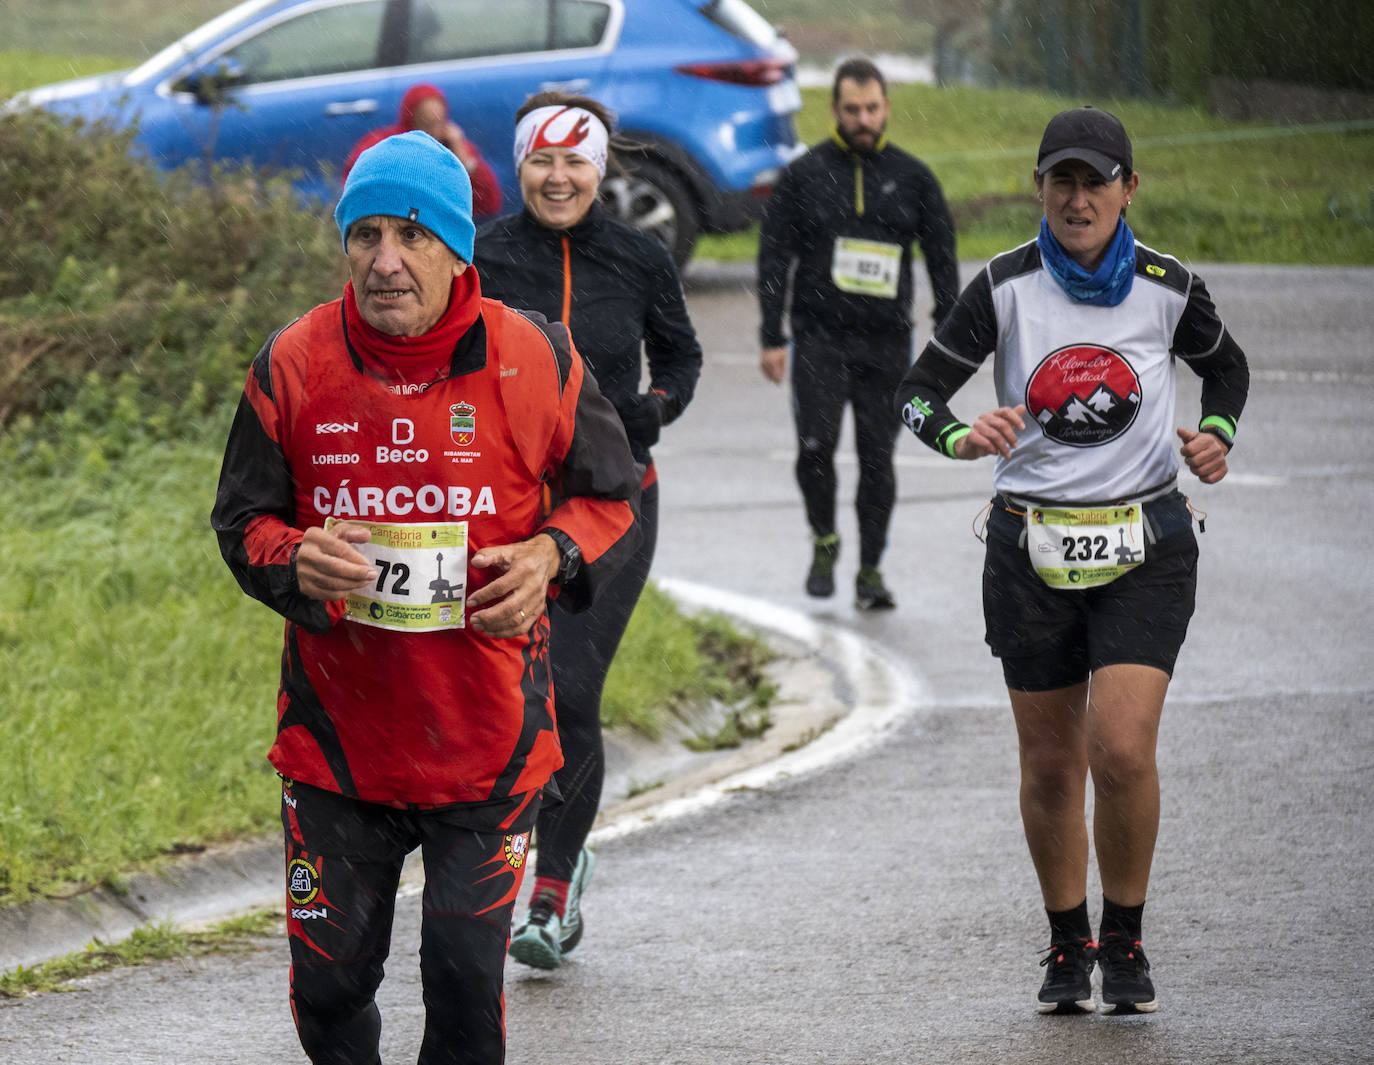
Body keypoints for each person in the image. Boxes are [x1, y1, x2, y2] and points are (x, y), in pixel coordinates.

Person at [211, 129, 642, 1064]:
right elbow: (241, 522)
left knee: (460, 987)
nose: (385, 261)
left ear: (457, 250)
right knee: (327, 992)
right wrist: (295, 558)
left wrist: (552, 555)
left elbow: (613, 494)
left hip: (486, 746)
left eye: (410, 236)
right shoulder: (291, 363)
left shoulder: (539, 360)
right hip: (339, 750)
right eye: (363, 236)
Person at [893, 106, 1250, 1014]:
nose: (1078, 199)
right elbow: (917, 395)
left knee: (1120, 747)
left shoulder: (1168, 286)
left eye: (1097, 182)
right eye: (1063, 181)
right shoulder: (1004, 284)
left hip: (1146, 542)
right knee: (1052, 763)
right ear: (1041, 189)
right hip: (1029, 542)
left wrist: (1214, 432)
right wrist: (962, 438)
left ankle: (1125, 935)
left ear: (1130, 189)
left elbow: (1230, 370)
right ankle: (1067, 942)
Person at [474, 91, 702, 970]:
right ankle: (498, 857)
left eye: (576, 162)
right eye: (542, 160)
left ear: (599, 170)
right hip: (504, 509)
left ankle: (552, 888)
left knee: (567, 689)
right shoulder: (483, 255)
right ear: (521, 163)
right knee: (500, 698)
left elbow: (682, 357)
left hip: (615, 502)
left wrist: (647, 412)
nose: (558, 177)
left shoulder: (640, 255)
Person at [757, 55, 959, 610]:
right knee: (815, 449)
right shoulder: (804, 175)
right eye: (852, 110)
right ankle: (825, 541)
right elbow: (774, 256)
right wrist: (771, 334)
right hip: (819, 338)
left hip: (887, 343)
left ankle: (870, 571)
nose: (863, 119)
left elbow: (942, 257)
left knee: (878, 460)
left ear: (886, 108)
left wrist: (948, 333)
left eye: (872, 109)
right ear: (835, 111)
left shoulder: (914, 178)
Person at [342, 83, 502, 219]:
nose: (432, 132)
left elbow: (489, 204)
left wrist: (464, 159)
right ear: (411, 120)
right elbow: (355, 191)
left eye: (438, 123)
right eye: (426, 123)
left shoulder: (451, 148)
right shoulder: (383, 145)